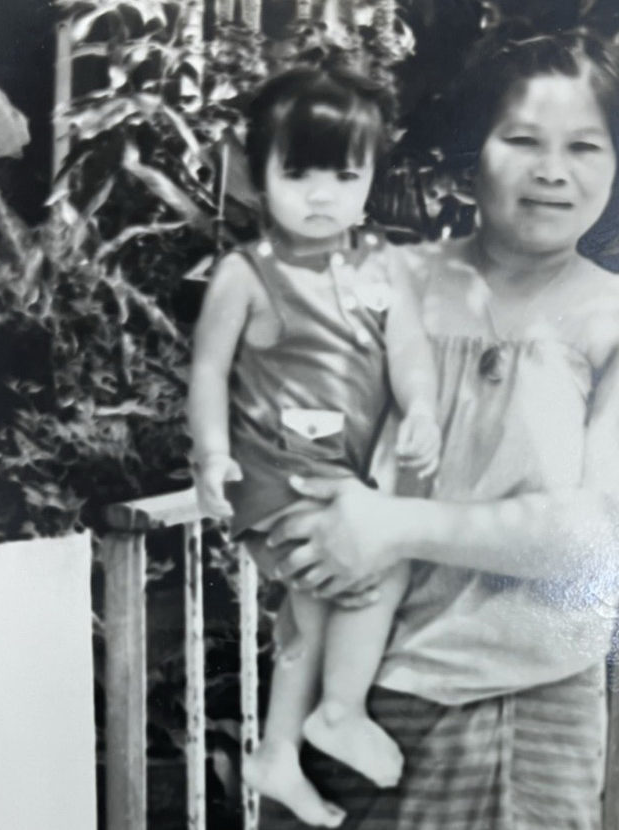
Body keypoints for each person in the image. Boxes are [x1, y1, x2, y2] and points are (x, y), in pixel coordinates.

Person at [260, 24, 619, 829]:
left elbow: (594, 538)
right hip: (335, 692)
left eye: (584, 148)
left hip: (509, 709)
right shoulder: (387, 281)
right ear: (474, 151)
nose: (551, 173)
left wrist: (393, 526)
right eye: (521, 140)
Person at [187, 66, 442, 828]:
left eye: (344, 173)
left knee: (308, 621)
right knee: (373, 572)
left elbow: (411, 352)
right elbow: (207, 368)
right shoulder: (245, 274)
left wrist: (422, 407)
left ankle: (277, 756)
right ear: (258, 176)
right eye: (298, 173)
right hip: (277, 475)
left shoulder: (383, 266)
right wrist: (210, 454)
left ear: (370, 180)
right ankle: (338, 710)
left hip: (344, 476)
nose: (321, 193)